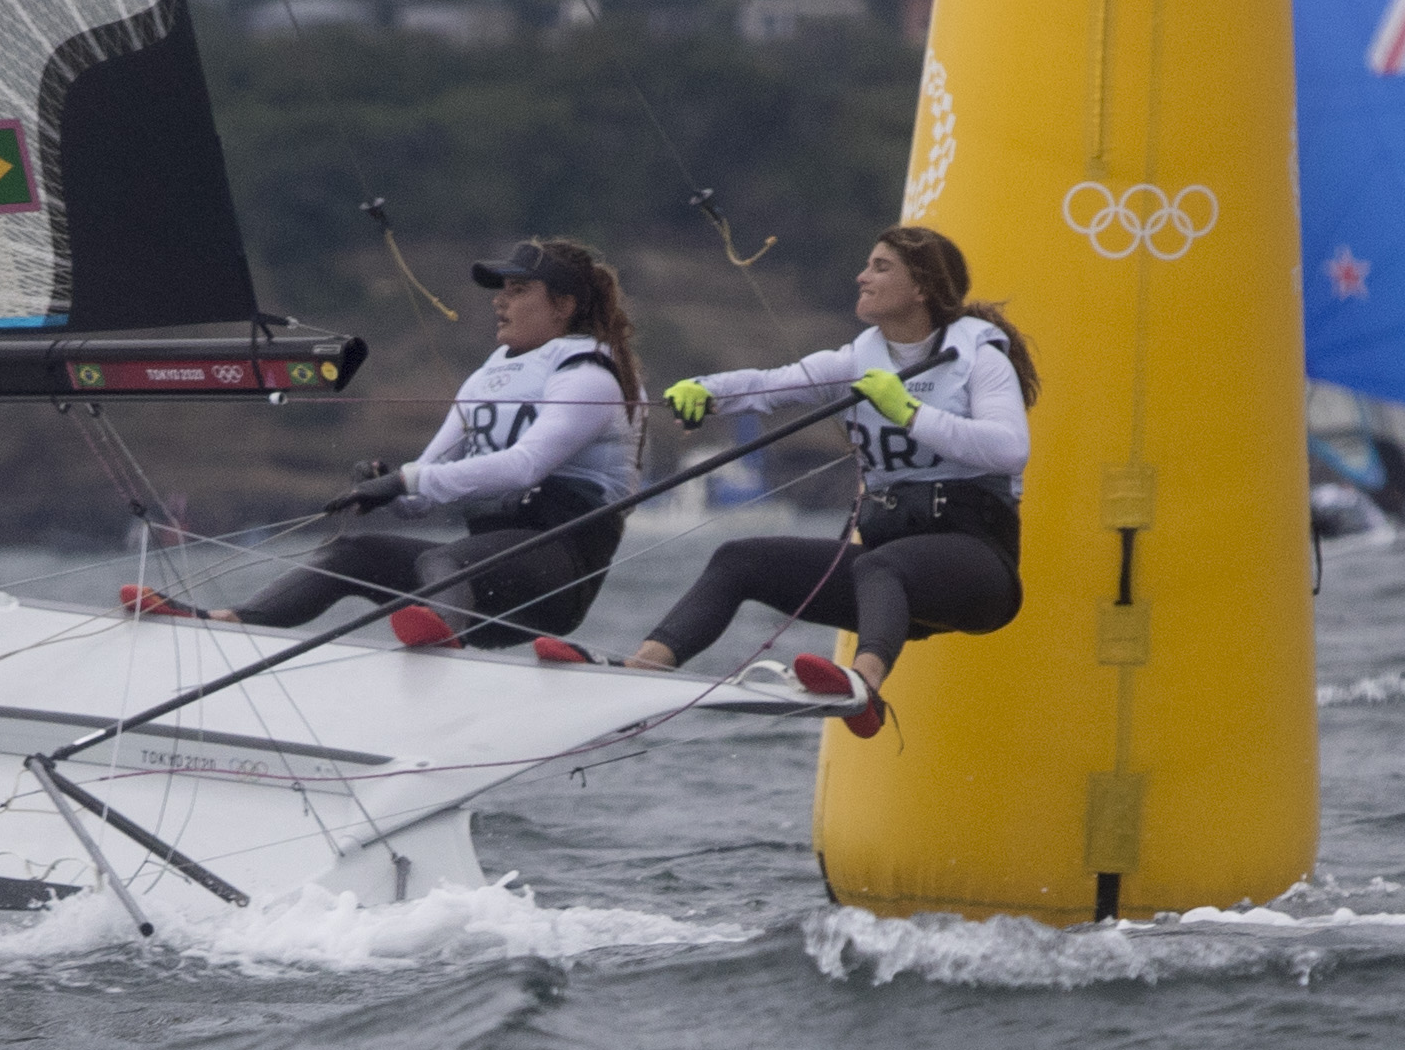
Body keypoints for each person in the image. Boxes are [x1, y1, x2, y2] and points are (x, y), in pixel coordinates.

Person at [535, 225, 1039, 739]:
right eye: (867, 264)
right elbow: (767, 386)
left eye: (881, 267)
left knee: (883, 565)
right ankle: (639, 677)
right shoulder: (855, 362)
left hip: (980, 571)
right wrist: (706, 392)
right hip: (889, 582)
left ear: (923, 288)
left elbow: (1009, 448)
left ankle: (862, 688)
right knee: (739, 559)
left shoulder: (980, 359)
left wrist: (907, 411)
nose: (862, 276)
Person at [122, 238, 644, 649]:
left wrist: (407, 480)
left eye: (518, 290)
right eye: (500, 289)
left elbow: (526, 466)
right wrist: (390, 485)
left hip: (556, 580)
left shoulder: (589, 375)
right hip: (480, 582)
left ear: (565, 305)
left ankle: (441, 651)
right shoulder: (487, 376)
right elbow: (423, 491)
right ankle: (231, 620)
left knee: (447, 561)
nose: (499, 301)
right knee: (353, 551)